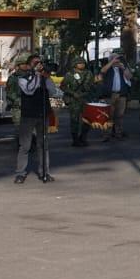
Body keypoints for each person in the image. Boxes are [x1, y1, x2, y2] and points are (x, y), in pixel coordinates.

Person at [14, 54, 61, 183]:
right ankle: (20, 173)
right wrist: (36, 75)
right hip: (28, 115)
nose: (39, 65)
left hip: (43, 114)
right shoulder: (22, 78)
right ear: (29, 65)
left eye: (40, 63)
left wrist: (47, 77)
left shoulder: (44, 77)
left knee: (43, 145)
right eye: (35, 63)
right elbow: (29, 90)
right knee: (25, 146)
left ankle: (44, 172)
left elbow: (53, 91)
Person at [61, 58, 95, 147]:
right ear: (75, 64)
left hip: (86, 99)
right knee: (74, 120)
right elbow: (63, 86)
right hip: (74, 100)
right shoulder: (69, 74)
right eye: (79, 63)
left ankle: (83, 137)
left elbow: (92, 86)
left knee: (88, 120)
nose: (82, 64)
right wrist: (72, 93)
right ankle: (75, 140)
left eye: (83, 63)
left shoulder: (89, 73)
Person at [99, 50, 132, 140]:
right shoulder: (108, 69)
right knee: (109, 115)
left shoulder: (122, 69)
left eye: (117, 59)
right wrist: (112, 62)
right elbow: (102, 71)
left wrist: (123, 68)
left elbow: (129, 77)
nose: (117, 61)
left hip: (121, 95)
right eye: (114, 59)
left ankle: (118, 133)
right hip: (110, 95)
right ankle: (106, 134)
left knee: (120, 115)